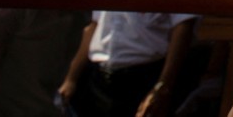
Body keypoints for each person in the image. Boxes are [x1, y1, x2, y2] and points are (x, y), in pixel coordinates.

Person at [58, 11, 197, 117]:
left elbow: (183, 27)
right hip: (99, 77)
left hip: (143, 75)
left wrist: (163, 85)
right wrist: (71, 78)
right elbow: (94, 25)